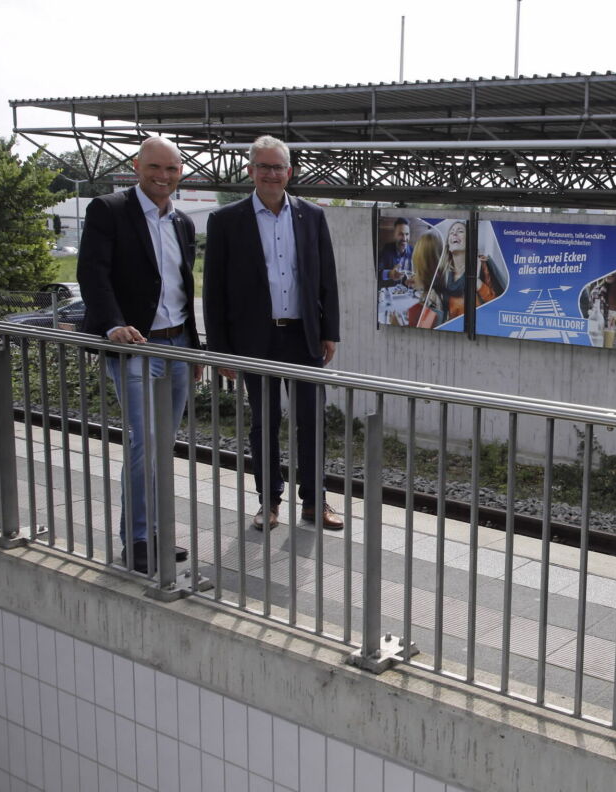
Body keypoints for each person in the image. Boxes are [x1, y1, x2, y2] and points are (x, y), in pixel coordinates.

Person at [203, 135, 343, 531]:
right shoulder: (226, 220)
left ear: (289, 172)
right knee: (265, 423)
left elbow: (326, 278)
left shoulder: (312, 215)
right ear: (250, 171)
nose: (270, 173)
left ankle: (315, 502)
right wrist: (220, 349)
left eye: (278, 167)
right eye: (262, 166)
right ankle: (270, 502)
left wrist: (329, 330)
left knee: (312, 421)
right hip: (255, 340)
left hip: (303, 336)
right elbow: (213, 290)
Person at [77, 136, 199, 573]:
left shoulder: (182, 222)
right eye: (155, 168)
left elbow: (183, 287)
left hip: (179, 344)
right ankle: (138, 539)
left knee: (163, 444)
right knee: (143, 442)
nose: (163, 177)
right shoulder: (108, 210)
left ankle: (158, 533)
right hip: (136, 347)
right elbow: (93, 273)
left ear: (180, 172)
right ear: (137, 166)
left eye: (172, 169)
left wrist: (196, 349)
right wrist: (112, 325)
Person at [439, 221, 505, 320]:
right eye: (451, 232)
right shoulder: (443, 273)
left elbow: (496, 306)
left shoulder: (483, 266)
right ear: (448, 244)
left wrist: (477, 281)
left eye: (460, 231)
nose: (454, 234)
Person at [407, 230, 444, 328]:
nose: (415, 275)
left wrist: (396, 325)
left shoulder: (431, 305)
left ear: (425, 270)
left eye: (417, 269)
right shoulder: (440, 291)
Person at [377, 217, 413, 290]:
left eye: (407, 234)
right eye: (401, 234)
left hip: (407, 295)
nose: (404, 238)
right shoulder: (386, 249)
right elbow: (377, 273)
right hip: (390, 294)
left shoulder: (414, 252)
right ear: (394, 235)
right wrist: (389, 274)